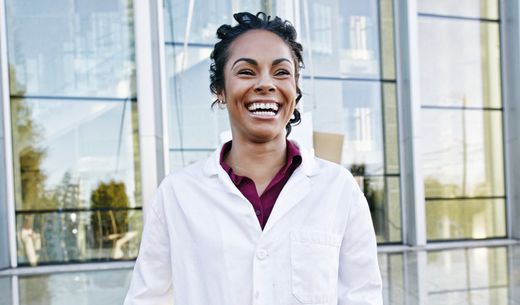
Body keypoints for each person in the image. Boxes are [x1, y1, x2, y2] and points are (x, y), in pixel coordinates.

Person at [124, 11, 382, 305]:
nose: (265, 84)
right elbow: (147, 299)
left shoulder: (339, 189)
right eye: (246, 71)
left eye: (282, 72)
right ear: (220, 90)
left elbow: (362, 296)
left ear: (295, 92)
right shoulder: (177, 195)